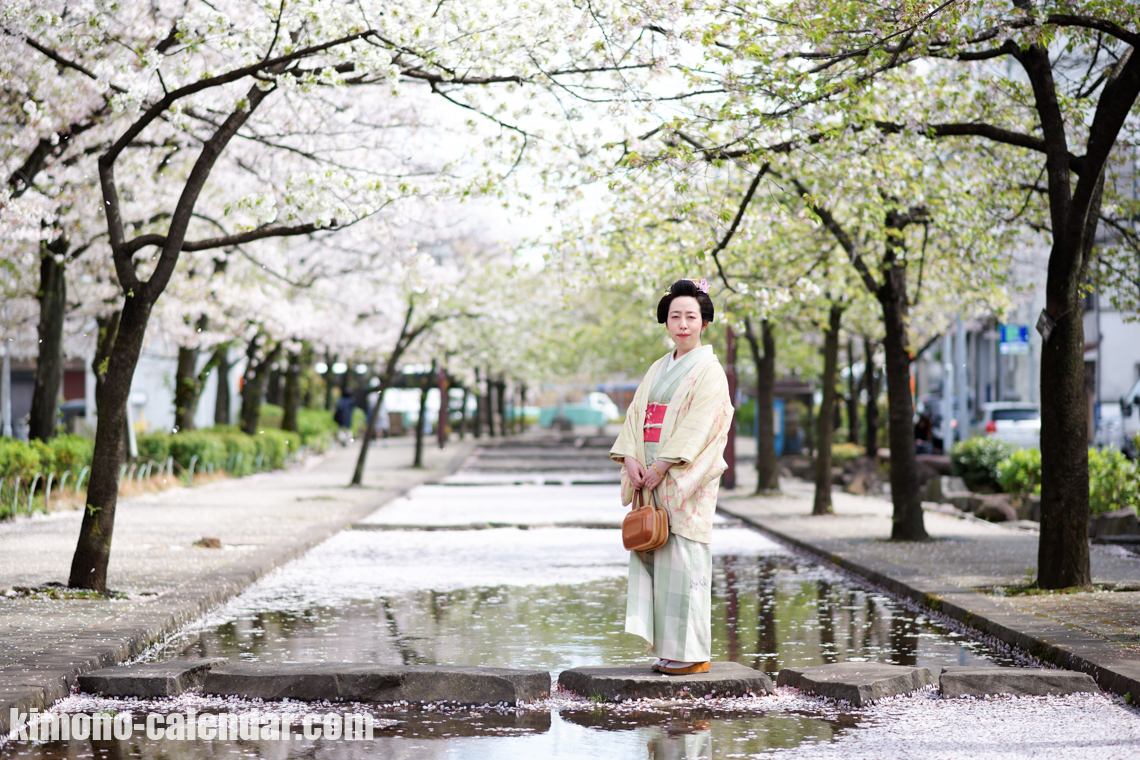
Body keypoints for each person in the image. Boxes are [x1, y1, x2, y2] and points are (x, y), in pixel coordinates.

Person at [610, 278, 733, 675]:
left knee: (684, 560)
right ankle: (668, 649)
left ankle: (692, 653)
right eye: (675, 316)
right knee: (657, 558)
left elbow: (702, 425)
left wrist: (662, 465)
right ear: (666, 321)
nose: (683, 324)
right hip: (649, 475)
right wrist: (632, 458)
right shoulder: (657, 368)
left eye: (691, 317)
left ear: (704, 323)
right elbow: (635, 417)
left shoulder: (710, 372)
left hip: (681, 477)